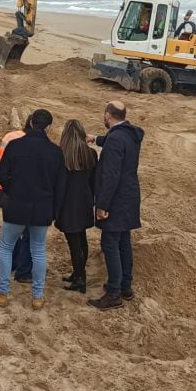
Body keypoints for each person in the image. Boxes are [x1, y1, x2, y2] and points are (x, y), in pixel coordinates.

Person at [0, 109, 66, 310]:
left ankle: (2, 292)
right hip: (42, 208)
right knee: (38, 250)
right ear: (49, 127)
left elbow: (2, 175)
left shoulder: (15, 146)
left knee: (6, 247)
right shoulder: (56, 153)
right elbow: (60, 186)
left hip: (16, 206)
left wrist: (15, 190)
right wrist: (54, 210)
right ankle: (37, 297)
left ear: (30, 123)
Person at [85, 101, 144, 310]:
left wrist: (102, 205)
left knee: (110, 244)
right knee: (123, 242)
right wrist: (97, 139)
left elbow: (111, 175)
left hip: (116, 199)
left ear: (108, 115)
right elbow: (117, 141)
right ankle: (125, 286)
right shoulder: (130, 134)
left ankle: (113, 293)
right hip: (130, 196)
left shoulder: (116, 139)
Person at [55, 120, 97, 293]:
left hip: (67, 203)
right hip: (84, 200)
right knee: (81, 238)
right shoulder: (90, 154)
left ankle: (80, 278)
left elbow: (57, 183)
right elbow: (94, 180)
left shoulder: (61, 155)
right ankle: (78, 273)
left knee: (73, 242)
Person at [0, 118, 34, 283]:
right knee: (27, 232)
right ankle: (23, 270)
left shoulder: (9, 137)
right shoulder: (31, 144)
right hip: (21, 192)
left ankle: (12, 264)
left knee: (11, 231)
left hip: (4, 190)